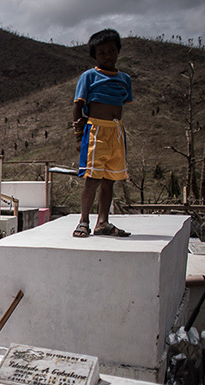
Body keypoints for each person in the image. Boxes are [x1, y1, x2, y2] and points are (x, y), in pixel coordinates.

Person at [72, 28, 133, 238]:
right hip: (95, 131)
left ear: (118, 51)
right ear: (95, 56)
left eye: (111, 50)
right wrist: (79, 136)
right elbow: (77, 107)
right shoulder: (89, 76)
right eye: (102, 53)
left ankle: (103, 222)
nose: (107, 55)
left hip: (116, 132)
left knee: (110, 179)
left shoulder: (125, 79)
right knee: (92, 178)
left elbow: (122, 104)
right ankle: (83, 221)